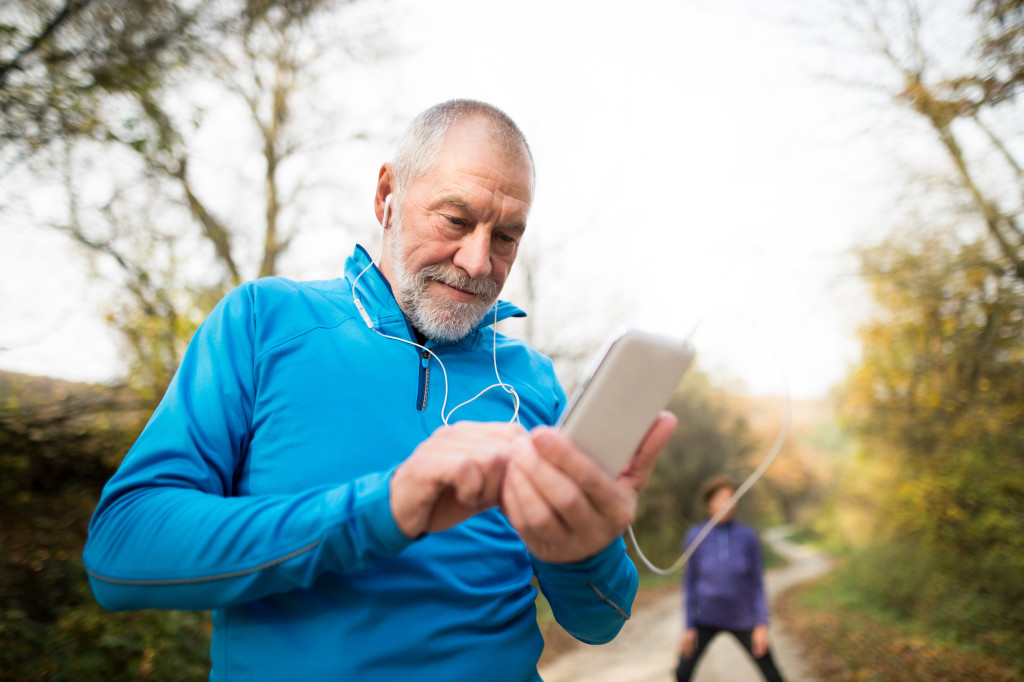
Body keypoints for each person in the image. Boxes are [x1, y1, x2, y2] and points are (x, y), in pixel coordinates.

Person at [82, 99, 678, 681]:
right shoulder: (264, 322)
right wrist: (385, 506)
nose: (478, 261)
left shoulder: (534, 382)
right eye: (456, 219)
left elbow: (598, 622)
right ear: (386, 195)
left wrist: (586, 549)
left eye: (506, 237)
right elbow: (121, 551)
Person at [675, 475, 785, 682]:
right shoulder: (695, 536)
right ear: (710, 501)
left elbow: (757, 583)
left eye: (731, 498)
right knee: (682, 673)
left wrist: (761, 624)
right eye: (722, 498)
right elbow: (689, 584)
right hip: (706, 619)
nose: (728, 504)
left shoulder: (748, 536)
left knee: (773, 675)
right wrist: (689, 627)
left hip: (743, 620)